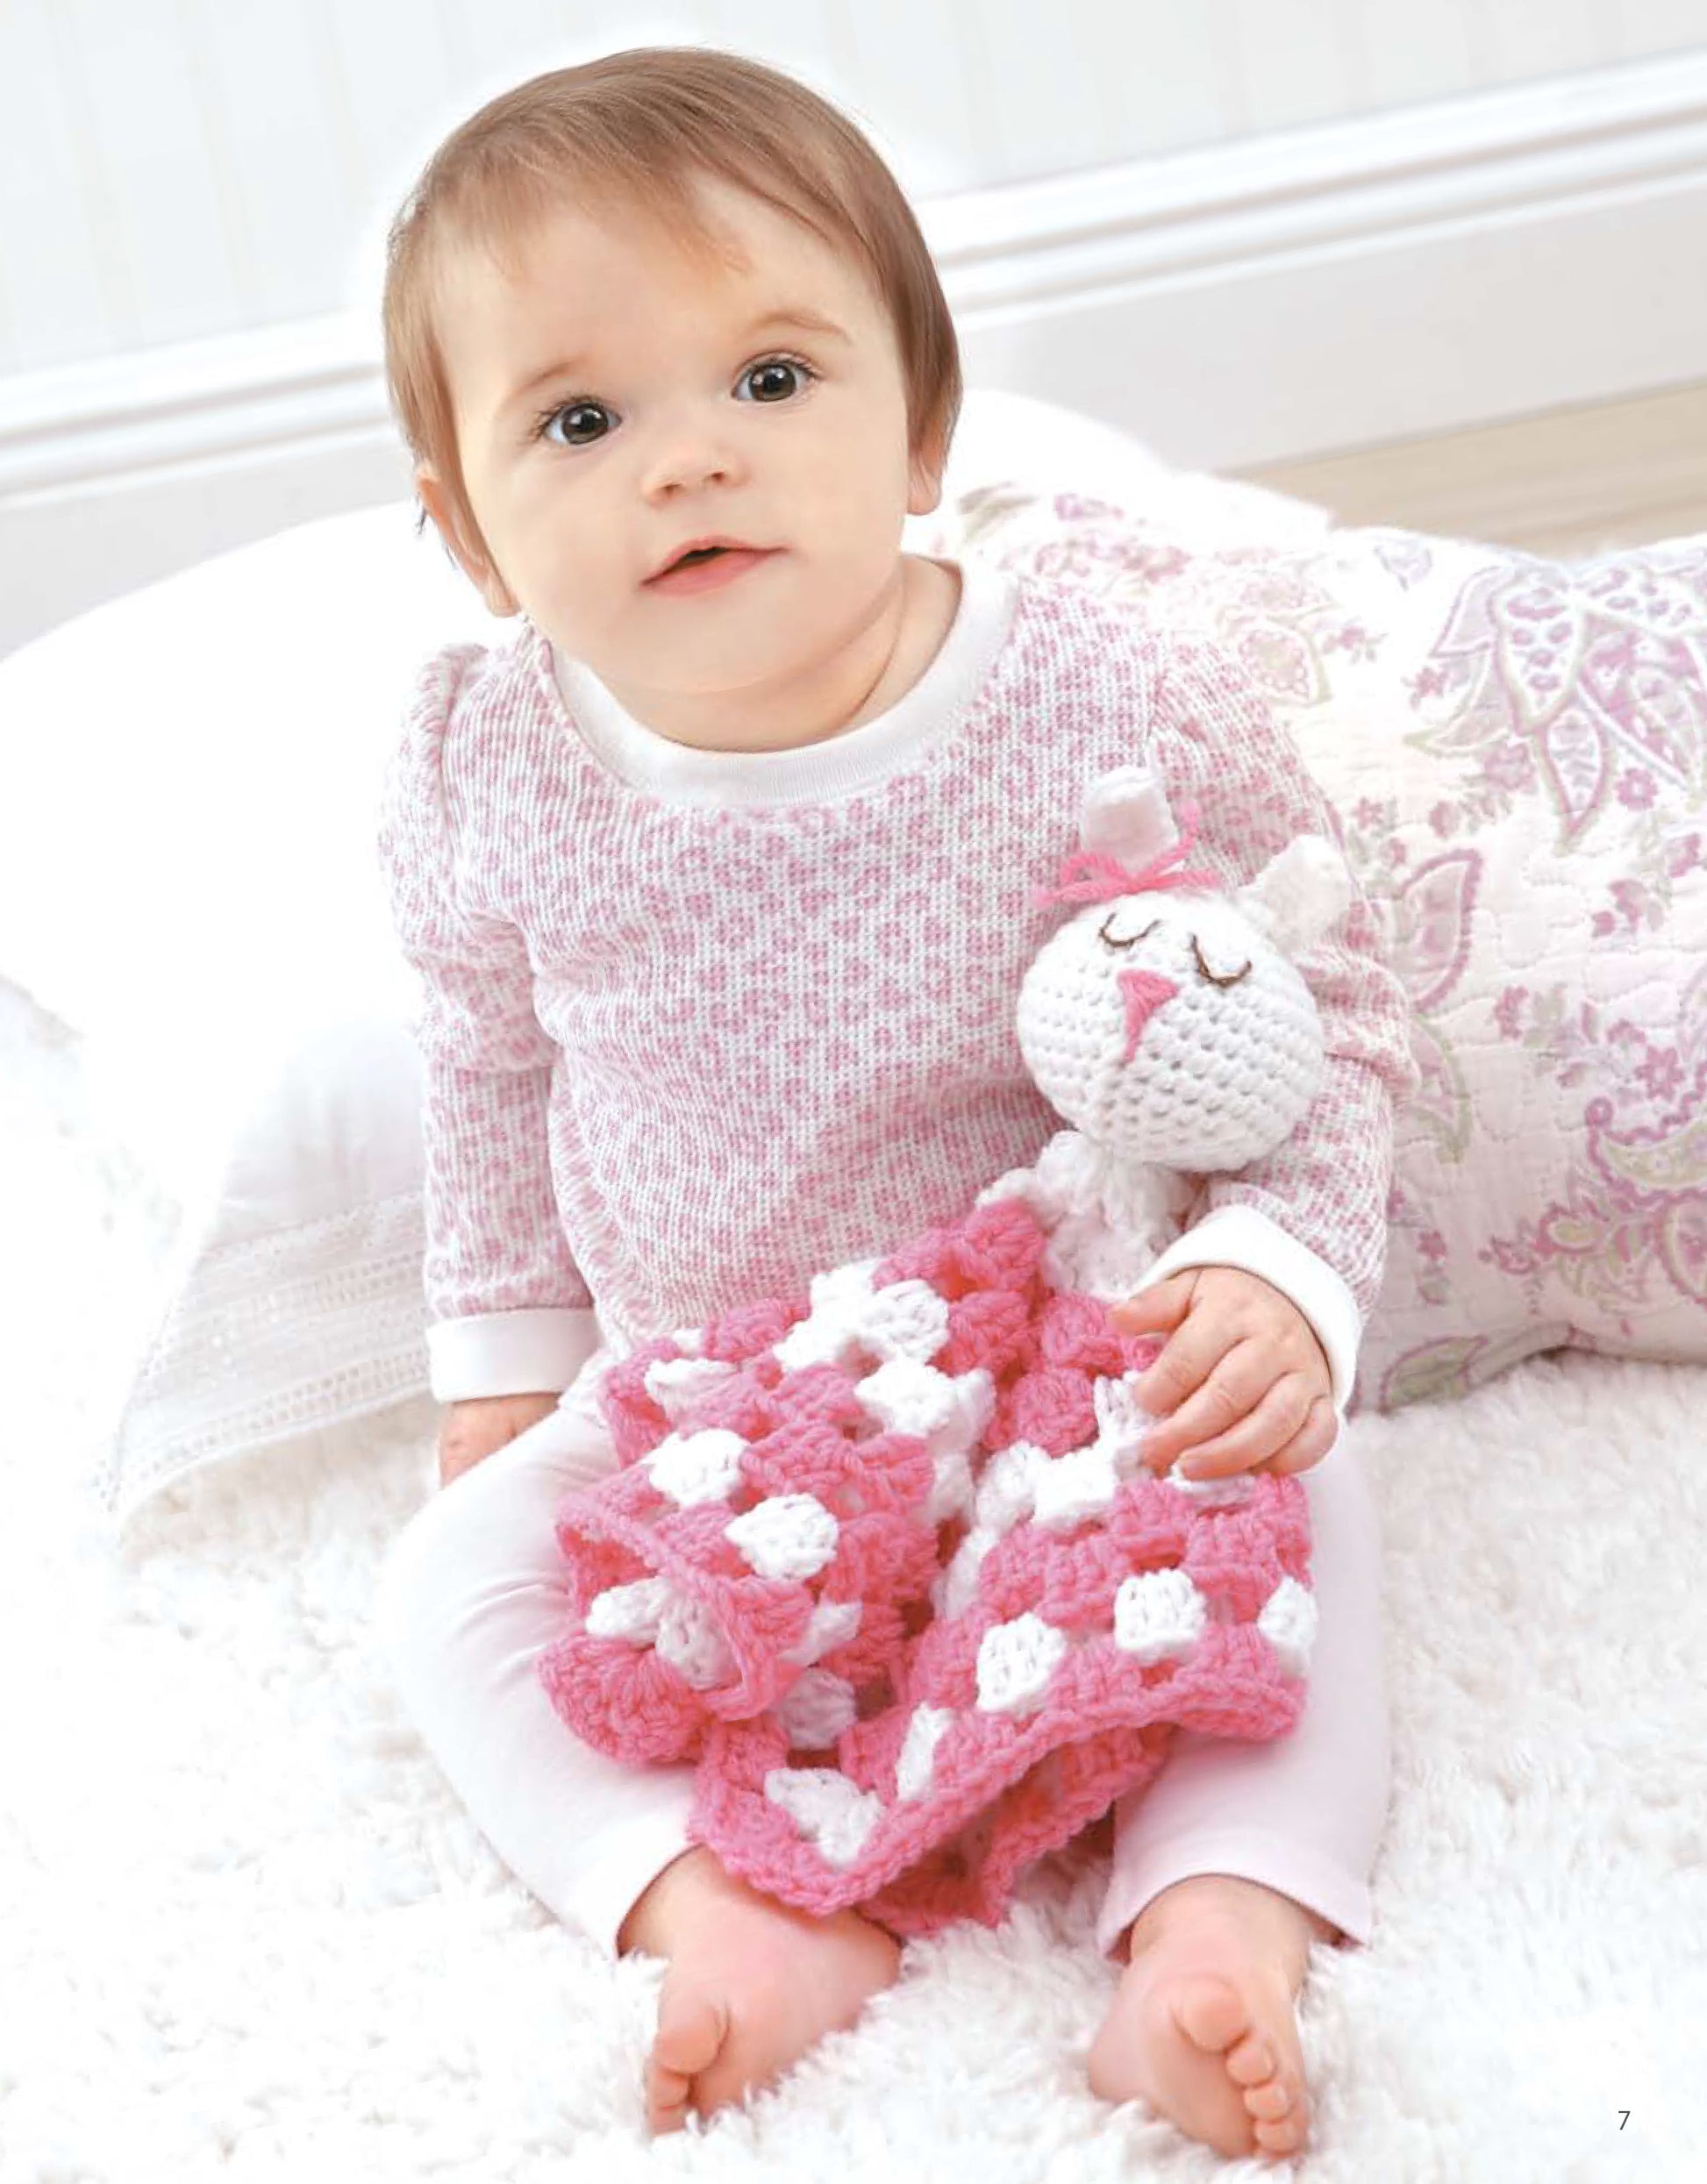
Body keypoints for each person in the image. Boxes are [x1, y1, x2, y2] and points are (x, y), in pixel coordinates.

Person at [372, 46, 1415, 2163]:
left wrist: (1274, 1267)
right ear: (470, 531)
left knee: (1295, 1509)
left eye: (771, 378)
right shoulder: (488, 766)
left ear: (923, 431)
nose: (688, 464)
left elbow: (1316, 998)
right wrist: (505, 1364)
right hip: (717, 1401)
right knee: (446, 1589)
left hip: (1068, 1342)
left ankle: (1213, 1931)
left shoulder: (1092, 692)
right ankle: (727, 1915)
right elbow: (482, 1064)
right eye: (579, 421)